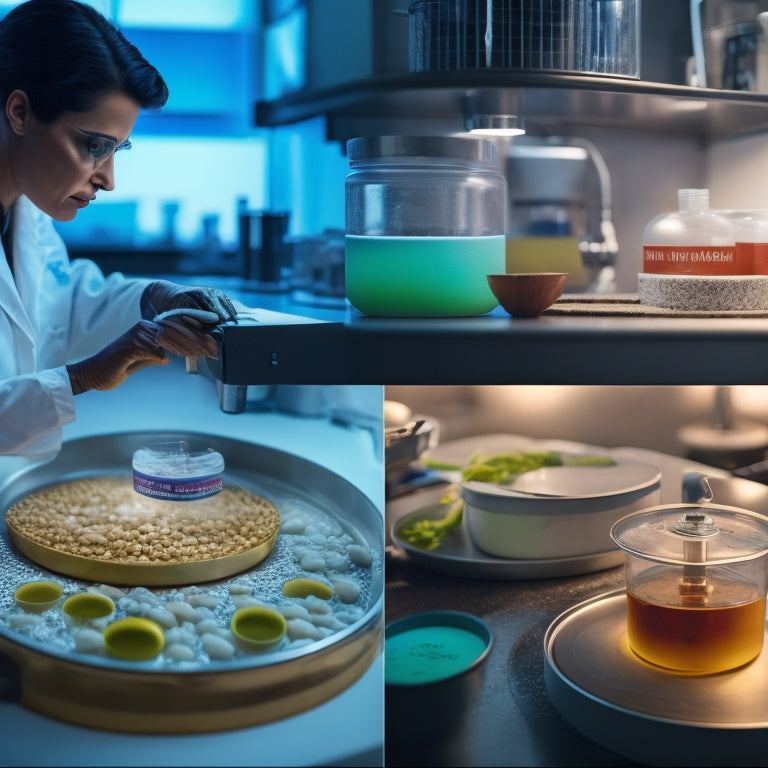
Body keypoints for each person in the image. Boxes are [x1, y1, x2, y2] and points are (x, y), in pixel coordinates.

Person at [0, 0, 239, 459]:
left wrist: (156, 297)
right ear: (19, 111)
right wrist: (81, 378)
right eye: (94, 146)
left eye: (117, 151)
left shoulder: (28, 215)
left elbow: (61, 304)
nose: (108, 180)